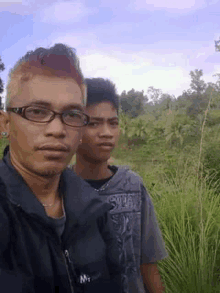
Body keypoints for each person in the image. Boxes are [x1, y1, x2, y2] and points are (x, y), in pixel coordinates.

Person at [0, 45, 122, 293]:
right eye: (36, 111)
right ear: (5, 124)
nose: (57, 129)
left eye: (72, 114)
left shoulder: (94, 210)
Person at [72, 78, 168, 293]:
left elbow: (147, 263)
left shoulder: (133, 186)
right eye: (93, 123)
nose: (106, 132)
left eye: (112, 123)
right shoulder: (58, 188)